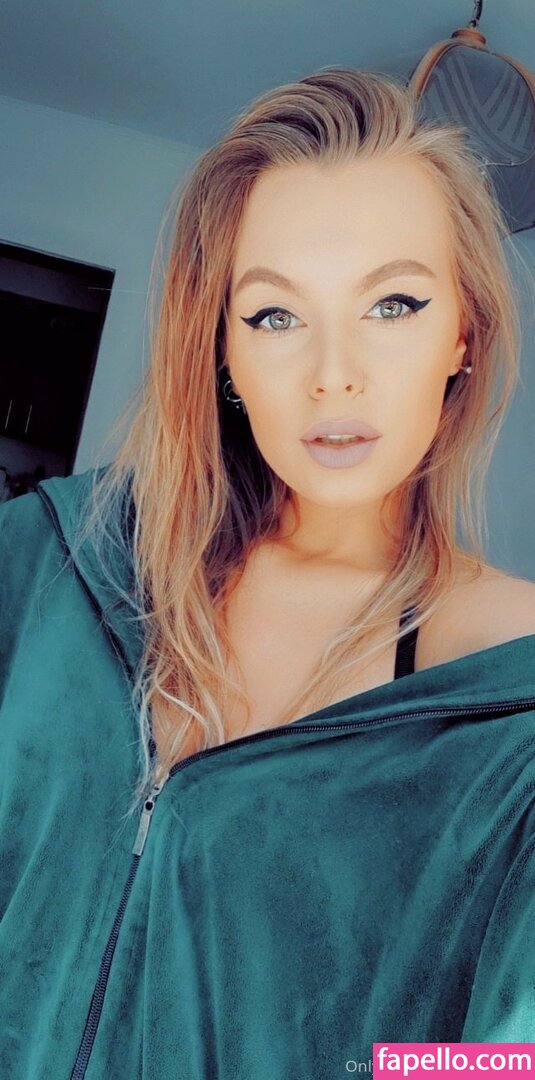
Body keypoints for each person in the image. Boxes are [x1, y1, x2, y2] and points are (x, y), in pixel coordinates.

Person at [1, 66, 535, 1079]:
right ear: (223, 355)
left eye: (393, 304)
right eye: (275, 316)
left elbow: (503, 1057)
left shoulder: (512, 706)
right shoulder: (46, 562)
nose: (334, 373)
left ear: (462, 334)